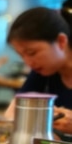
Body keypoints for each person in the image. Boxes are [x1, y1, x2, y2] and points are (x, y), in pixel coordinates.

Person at [4, 7, 72, 137]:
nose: (28, 62)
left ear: (61, 41)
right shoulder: (43, 72)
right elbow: (12, 114)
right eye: (22, 55)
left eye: (32, 53)